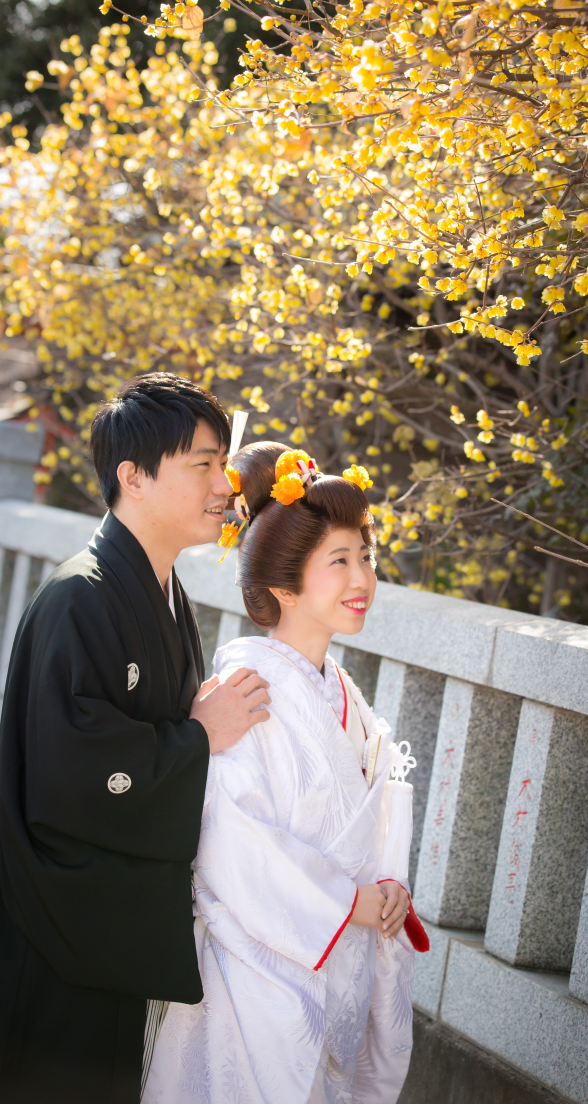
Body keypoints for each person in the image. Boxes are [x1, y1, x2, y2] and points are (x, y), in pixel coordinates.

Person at [0, 373, 271, 1104]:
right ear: (134, 478)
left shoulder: (164, 592)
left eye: (224, 463)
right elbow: (71, 772)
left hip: (104, 929)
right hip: (52, 930)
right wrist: (195, 739)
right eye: (204, 465)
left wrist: (191, 735)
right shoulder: (77, 598)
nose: (225, 484)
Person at [143, 443, 428, 1104]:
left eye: (367, 557)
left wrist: (387, 888)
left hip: (338, 966)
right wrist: (351, 903)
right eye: (339, 561)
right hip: (256, 983)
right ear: (282, 586)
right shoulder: (247, 690)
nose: (362, 579)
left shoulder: (345, 698)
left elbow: (362, 832)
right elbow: (233, 847)